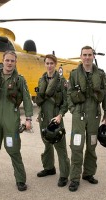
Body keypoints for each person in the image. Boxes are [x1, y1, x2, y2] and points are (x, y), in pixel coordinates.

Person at [0, 50, 33, 191]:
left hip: (11, 119)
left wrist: (28, 119)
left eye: (12, 61)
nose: (9, 63)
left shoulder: (20, 80)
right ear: (2, 61)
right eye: (7, 60)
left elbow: (27, 100)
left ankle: (20, 180)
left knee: (14, 150)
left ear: (15, 62)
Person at [67, 46, 106, 192]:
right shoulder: (74, 74)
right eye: (84, 55)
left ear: (93, 56)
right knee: (77, 147)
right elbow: (69, 93)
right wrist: (72, 110)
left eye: (89, 55)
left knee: (91, 146)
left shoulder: (101, 74)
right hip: (78, 116)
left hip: (94, 115)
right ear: (81, 56)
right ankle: (74, 178)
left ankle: (88, 173)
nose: (87, 57)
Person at [35, 54, 70, 187]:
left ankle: (64, 175)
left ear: (55, 65)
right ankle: (49, 168)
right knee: (46, 144)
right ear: (45, 64)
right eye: (47, 63)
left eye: (51, 63)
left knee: (60, 147)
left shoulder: (62, 82)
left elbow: (66, 102)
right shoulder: (41, 79)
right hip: (44, 117)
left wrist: (60, 115)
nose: (49, 65)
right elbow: (40, 100)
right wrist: (39, 115)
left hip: (56, 117)